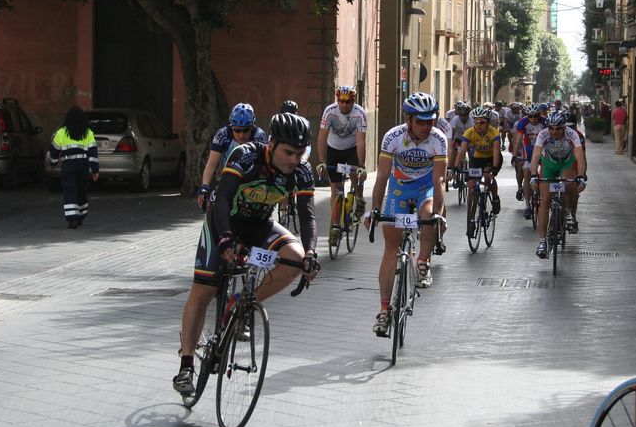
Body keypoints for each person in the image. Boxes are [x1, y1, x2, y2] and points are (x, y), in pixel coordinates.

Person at [174, 113, 319, 394]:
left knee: (296, 258)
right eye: (288, 152)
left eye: (300, 153)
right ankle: (186, 365)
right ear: (271, 145)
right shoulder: (246, 156)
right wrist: (226, 239)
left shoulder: (302, 171)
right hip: (223, 222)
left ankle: (241, 302)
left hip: (258, 225)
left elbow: (307, 215)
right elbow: (223, 197)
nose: (294, 159)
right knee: (204, 289)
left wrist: (311, 253)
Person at [365, 92, 447, 336]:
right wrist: (375, 210)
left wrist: (439, 213)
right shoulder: (393, 137)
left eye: (430, 121)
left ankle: (423, 261)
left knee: (429, 216)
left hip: (425, 188)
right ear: (408, 119)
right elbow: (382, 176)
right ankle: (384, 309)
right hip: (399, 188)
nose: (426, 126)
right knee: (391, 248)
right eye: (421, 121)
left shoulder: (438, 139)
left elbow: (439, 180)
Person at [528, 111, 587, 257]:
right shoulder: (543, 135)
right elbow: (535, 156)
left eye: (558, 129)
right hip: (548, 165)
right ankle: (542, 242)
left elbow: (580, 157)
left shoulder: (572, 134)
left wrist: (581, 176)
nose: (554, 132)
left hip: (566, 164)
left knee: (569, 183)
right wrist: (534, 175)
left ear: (564, 127)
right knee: (545, 200)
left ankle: (568, 212)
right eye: (551, 128)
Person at [316, 85, 368, 247]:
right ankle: (335, 225)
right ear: (337, 100)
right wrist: (322, 161)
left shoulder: (359, 114)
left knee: (354, 174)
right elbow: (321, 139)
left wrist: (361, 165)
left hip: (352, 149)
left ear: (353, 101)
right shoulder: (330, 112)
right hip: (334, 150)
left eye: (348, 102)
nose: (344, 105)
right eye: (341, 101)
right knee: (335, 189)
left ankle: (359, 197)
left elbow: (361, 142)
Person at [197, 103, 268, 211]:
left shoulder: (259, 136)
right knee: (216, 207)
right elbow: (211, 164)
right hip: (230, 176)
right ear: (231, 126)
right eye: (237, 130)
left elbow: (265, 165)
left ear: (252, 127)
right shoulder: (223, 134)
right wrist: (204, 186)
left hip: (253, 180)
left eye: (246, 130)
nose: (241, 135)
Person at [451, 106, 503, 237]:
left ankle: (495, 198)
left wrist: (494, 168)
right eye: (476, 122)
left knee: (488, 177)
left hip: (491, 158)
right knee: (472, 185)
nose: (478, 125)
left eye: (482, 122)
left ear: (488, 123)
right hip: (477, 159)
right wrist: (455, 167)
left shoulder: (494, 133)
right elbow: (462, 151)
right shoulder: (469, 132)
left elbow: (496, 151)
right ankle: (471, 219)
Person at [49, 105, 100, 228]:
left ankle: (72, 218)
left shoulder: (61, 132)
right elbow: (93, 152)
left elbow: (54, 149)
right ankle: (81, 214)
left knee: (69, 190)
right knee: (81, 189)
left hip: (68, 165)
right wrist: (95, 170)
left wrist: (53, 162)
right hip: (82, 165)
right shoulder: (88, 133)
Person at [512, 103, 547, 217]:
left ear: (539, 115)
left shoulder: (545, 122)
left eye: (536, 116)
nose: (533, 119)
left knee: (545, 171)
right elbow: (518, 140)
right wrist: (514, 155)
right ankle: (527, 206)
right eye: (530, 116)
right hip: (529, 149)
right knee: (526, 173)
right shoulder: (523, 122)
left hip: (543, 148)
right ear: (527, 115)